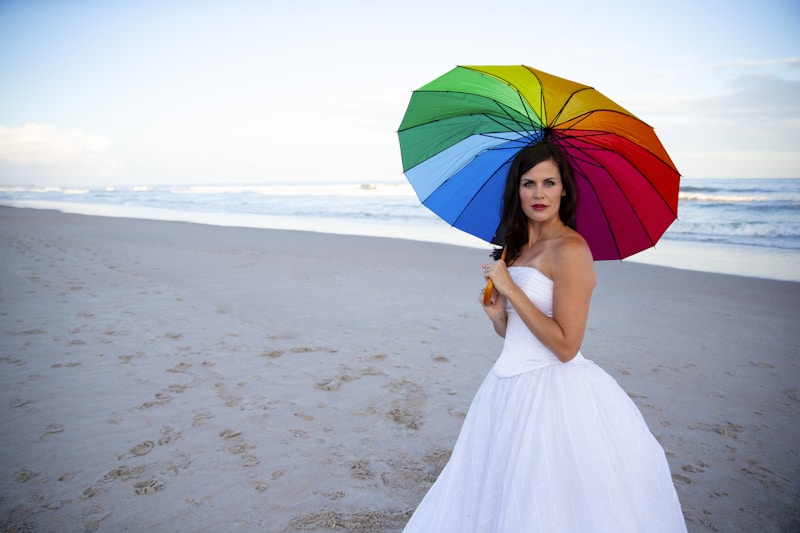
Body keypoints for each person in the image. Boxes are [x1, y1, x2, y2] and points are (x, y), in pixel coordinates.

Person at [402, 142, 687, 532]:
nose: (538, 194)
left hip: (551, 393)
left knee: (543, 499)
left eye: (549, 182)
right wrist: (499, 316)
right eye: (528, 183)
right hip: (504, 388)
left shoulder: (571, 250)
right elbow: (519, 334)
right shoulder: (516, 247)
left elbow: (566, 346)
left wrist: (513, 290)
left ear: (564, 189)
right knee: (495, 490)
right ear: (516, 190)